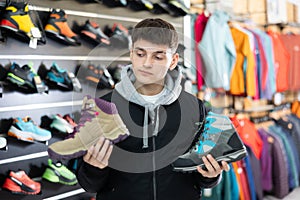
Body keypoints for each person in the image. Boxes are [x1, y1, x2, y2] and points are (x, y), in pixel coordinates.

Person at [76, 18, 229, 200]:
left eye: (158, 56)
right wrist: (94, 169)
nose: (147, 63)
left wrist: (210, 175)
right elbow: (88, 184)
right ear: (131, 54)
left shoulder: (195, 108)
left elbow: (201, 179)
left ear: (173, 61)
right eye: (140, 54)